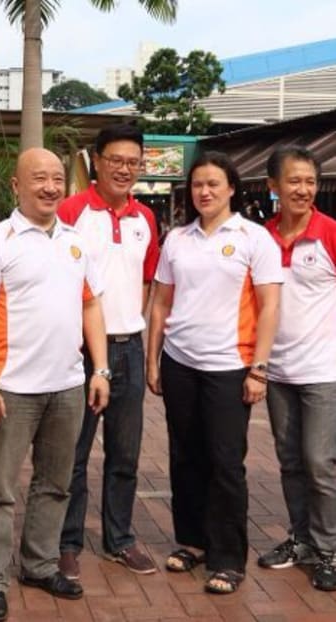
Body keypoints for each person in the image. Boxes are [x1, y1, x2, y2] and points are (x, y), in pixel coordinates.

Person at [0, 148, 110, 622]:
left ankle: (40, 565)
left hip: (68, 386)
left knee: (55, 483)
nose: (50, 187)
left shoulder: (76, 241)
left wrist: (100, 369)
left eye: (56, 179)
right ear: (16, 186)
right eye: (38, 178)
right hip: (12, 387)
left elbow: (91, 305)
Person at [146, 151, 282, 595]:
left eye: (213, 184)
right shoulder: (177, 239)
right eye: (198, 184)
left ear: (231, 189)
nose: (204, 192)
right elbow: (161, 303)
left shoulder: (253, 238)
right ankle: (192, 541)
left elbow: (270, 306)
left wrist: (259, 369)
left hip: (230, 366)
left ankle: (227, 557)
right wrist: (153, 359)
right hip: (180, 362)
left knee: (225, 462)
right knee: (185, 456)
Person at [57, 124, 160, 579]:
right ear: (95, 161)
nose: (124, 169)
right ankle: (67, 542)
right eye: (115, 160)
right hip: (80, 352)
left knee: (125, 453)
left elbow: (146, 281)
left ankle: (119, 539)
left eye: (132, 162)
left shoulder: (146, 219)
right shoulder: (71, 211)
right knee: (72, 454)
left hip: (129, 349)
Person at [257, 146, 336, 591]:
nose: (303, 190)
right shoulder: (261, 239)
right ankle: (301, 539)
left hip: (324, 372)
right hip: (277, 373)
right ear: (274, 186)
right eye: (294, 181)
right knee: (289, 462)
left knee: (319, 463)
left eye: (310, 181)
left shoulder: (330, 234)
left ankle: (329, 549)